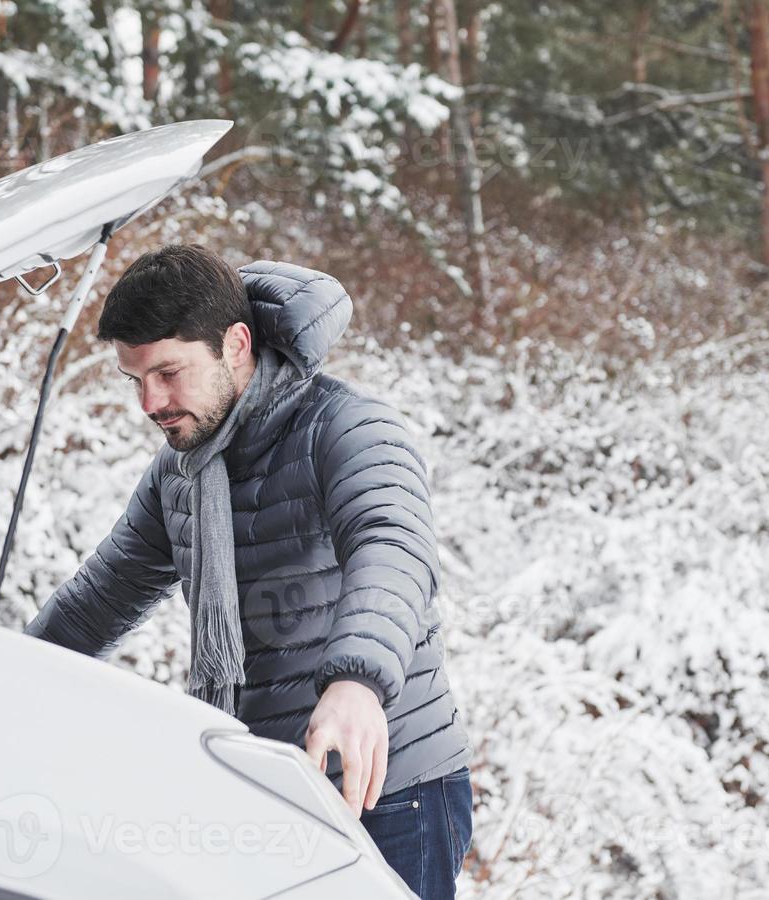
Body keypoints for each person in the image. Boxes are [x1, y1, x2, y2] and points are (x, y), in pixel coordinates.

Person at [24, 244, 474, 898]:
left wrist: (357, 680)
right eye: (135, 379)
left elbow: (392, 544)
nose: (150, 401)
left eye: (169, 373)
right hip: (264, 792)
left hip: (386, 787)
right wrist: (0, 675)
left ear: (236, 344)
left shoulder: (345, 429)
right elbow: (97, 600)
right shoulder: (178, 476)